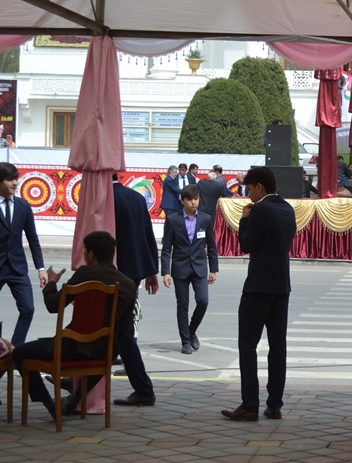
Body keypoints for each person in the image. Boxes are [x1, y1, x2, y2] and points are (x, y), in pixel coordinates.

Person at [13, 232, 136, 420]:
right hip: (105, 352)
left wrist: (51, 283)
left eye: (85, 251)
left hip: (70, 348)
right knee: (105, 350)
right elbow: (124, 329)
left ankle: (50, 404)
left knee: (19, 353)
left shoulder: (84, 274)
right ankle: (74, 400)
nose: (84, 254)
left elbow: (53, 305)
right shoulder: (128, 284)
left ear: (91, 254)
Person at [222, 166, 297, 421]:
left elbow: (246, 244)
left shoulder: (260, 209)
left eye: (250, 189)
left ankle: (249, 404)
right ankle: (274, 404)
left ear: (260, 187)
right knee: (277, 346)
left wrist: (244, 219)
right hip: (281, 285)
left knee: (247, 345)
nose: (248, 194)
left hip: (258, 286)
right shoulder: (287, 208)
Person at [110, 174, 159, 407]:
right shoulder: (136, 197)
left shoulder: (103, 199)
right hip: (134, 272)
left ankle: (143, 389)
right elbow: (147, 234)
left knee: (121, 332)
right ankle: (81, 386)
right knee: (116, 331)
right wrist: (151, 270)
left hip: (113, 274)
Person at [161, 184, 219, 355]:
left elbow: (211, 246)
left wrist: (213, 269)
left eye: (196, 199)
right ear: (182, 201)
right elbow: (166, 248)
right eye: (190, 200)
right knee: (183, 305)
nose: (193, 202)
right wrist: (166, 272)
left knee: (203, 301)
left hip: (200, 267)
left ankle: (191, 330)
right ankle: (185, 341)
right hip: (180, 268)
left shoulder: (205, 219)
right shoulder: (173, 220)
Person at [0, 162, 46, 351]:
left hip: (17, 268)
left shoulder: (23, 206)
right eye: (9, 179)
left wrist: (41, 268)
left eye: (16, 179)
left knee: (28, 309)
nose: (15, 183)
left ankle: (15, 350)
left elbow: (33, 239)